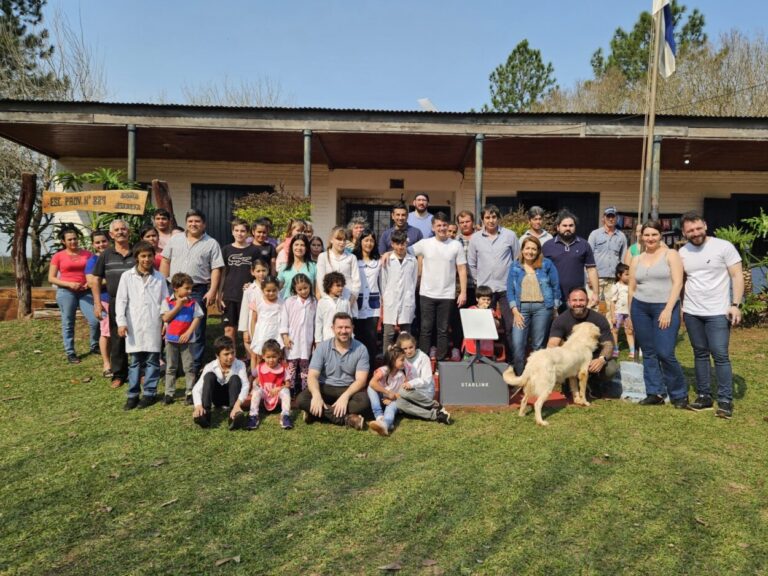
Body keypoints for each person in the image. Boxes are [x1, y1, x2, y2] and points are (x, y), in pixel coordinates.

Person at [679, 211, 744, 419]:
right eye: (690, 230)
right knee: (699, 353)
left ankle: (725, 400)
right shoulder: (682, 252)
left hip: (718, 311)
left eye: (698, 228)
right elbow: (681, 281)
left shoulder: (723, 247)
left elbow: (737, 276)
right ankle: (704, 395)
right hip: (692, 311)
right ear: (684, 232)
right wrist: (681, 307)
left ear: (705, 226)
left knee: (720, 355)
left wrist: (735, 304)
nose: (695, 233)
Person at [627, 220, 687, 408]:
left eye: (654, 234)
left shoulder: (671, 254)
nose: (650, 238)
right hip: (640, 308)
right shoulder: (636, 258)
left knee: (665, 352)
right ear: (641, 237)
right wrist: (630, 315)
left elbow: (678, 283)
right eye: (646, 235)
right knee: (649, 352)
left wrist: (669, 309)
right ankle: (655, 392)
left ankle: (679, 394)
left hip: (665, 307)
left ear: (660, 235)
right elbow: (631, 289)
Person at [160, 209, 224, 377]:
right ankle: (173, 363)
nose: (193, 224)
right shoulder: (175, 239)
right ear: (186, 223)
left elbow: (216, 268)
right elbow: (165, 260)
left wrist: (212, 290)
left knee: (196, 327)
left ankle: (194, 366)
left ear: (204, 224)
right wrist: (162, 282)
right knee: (171, 324)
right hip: (172, 288)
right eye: (190, 221)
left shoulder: (211, 243)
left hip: (197, 290)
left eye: (197, 221)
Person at [116, 241, 169, 410]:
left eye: (150, 256)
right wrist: (121, 322)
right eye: (143, 256)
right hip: (134, 324)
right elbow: (121, 301)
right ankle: (132, 395)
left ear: (154, 257)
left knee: (153, 361)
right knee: (135, 362)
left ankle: (149, 393)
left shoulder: (159, 277)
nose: (147, 259)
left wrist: (165, 321)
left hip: (154, 322)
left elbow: (164, 301)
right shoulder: (127, 276)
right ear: (137, 257)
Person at [297, 312, 370, 429]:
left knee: (365, 402)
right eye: (340, 327)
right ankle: (348, 419)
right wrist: (316, 395)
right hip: (325, 387)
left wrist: (345, 396)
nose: (343, 331)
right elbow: (312, 376)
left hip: (348, 389)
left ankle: (316, 413)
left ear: (352, 328)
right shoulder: (322, 347)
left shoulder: (361, 349)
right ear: (333, 329)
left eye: (347, 327)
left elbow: (361, 380)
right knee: (301, 400)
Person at [411, 212, 467, 360]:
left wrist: (463, 292)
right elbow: (405, 252)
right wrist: (386, 254)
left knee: (442, 330)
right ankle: (423, 360)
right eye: (439, 225)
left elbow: (462, 269)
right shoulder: (425, 243)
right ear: (433, 227)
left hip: (447, 295)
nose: (442, 228)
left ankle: (440, 361)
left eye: (444, 225)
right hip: (426, 294)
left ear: (448, 226)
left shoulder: (456, 245)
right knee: (425, 329)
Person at [547, 287, 618, 398]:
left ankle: (594, 382)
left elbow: (608, 344)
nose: (578, 303)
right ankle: (568, 383)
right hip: (571, 360)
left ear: (587, 301)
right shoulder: (561, 320)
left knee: (611, 369)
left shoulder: (599, 319)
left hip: (593, 359)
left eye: (581, 300)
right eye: (574, 300)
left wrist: (602, 359)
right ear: (569, 302)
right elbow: (552, 345)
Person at [468, 204, 519, 357]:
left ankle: (512, 360)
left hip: (506, 287)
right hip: (485, 290)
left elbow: (516, 259)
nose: (491, 220)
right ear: (483, 219)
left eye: (494, 217)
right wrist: (479, 281)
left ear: (498, 218)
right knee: (484, 326)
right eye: (487, 217)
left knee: (510, 325)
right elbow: (472, 263)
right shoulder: (476, 238)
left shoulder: (510, 235)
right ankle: (483, 357)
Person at [507, 236, 561, 376]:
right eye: (527, 248)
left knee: (538, 346)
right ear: (522, 249)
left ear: (538, 251)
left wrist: (555, 308)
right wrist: (515, 312)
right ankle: (520, 377)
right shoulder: (515, 266)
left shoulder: (547, 264)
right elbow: (510, 291)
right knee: (518, 344)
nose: (530, 252)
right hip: (521, 310)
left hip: (542, 309)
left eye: (533, 249)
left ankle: (536, 378)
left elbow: (555, 287)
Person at [92, 219, 135, 388]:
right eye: (116, 230)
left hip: (137, 302)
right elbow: (96, 279)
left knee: (138, 336)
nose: (120, 232)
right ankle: (119, 374)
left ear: (128, 232)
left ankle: (140, 372)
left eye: (123, 229)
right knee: (117, 338)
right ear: (111, 234)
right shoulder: (106, 255)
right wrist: (97, 302)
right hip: (115, 302)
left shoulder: (137, 252)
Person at [49, 227, 99, 364]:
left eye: (75, 238)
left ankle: (95, 345)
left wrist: (88, 284)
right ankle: (70, 352)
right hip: (66, 292)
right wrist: (69, 284)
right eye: (70, 239)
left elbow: (93, 273)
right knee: (68, 322)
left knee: (95, 320)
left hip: (85, 291)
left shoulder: (88, 254)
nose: (73, 241)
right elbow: (51, 278)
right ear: (63, 241)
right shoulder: (58, 256)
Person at [161, 272, 204, 405]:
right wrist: (179, 305)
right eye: (186, 288)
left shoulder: (193, 303)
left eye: (190, 288)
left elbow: (197, 317)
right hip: (171, 340)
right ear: (175, 287)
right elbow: (166, 318)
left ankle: (189, 392)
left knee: (189, 367)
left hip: (187, 340)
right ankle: (169, 393)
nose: (189, 291)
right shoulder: (167, 302)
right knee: (171, 367)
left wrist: (189, 333)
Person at [543, 210, 599, 311]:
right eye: (564, 225)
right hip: (553, 297)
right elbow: (541, 271)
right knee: (554, 326)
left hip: (576, 298)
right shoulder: (547, 246)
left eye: (571, 225)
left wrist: (595, 293)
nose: (568, 228)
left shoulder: (584, 245)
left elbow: (591, 269)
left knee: (576, 326)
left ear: (575, 227)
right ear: (558, 227)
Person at [220, 218, 262, 352]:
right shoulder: (226, 250)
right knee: (229, 329)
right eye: (236, 230)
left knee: (249, 330)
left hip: (249, 296)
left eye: (243, 231)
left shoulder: (254, 251)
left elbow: (260, 272)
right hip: (230, 294)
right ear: (232, 232)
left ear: (248, 233)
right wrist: (219, 293)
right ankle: (231, 358)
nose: (239, 233)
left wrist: (253, 285)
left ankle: (251, 360)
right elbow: (222, 273)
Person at [191, 336, 250, 430]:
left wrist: (237, 404)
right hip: (216, 398)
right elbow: (196, 389)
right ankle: (205, 415)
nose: (231, 357)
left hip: (232, 398)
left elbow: (245, 385)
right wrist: (198, 406)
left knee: (235, 378)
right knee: (209, 376)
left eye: (232, 353)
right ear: (217, 355)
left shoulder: (240, 364)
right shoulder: (210, 366)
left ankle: (233, 417)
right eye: (226, 354)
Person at [394, 332, 452, 424]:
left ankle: (434, 405)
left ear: (415, 345)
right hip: (409, 393)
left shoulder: (423, 357)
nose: (408, 351)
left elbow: (426, 379)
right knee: (399, 403)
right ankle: (436, 415)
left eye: (411, 347)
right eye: (404, 349)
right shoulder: (401, 358)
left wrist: (411, 384)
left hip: (424, 392)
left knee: (402, 391)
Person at [380, 230, 418, 353]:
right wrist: (385, 297)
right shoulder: (388, 259)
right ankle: (387, 360)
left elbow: (413, 280)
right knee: (388, 334)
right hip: (390, 300)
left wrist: (410, 296)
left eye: (403, 244)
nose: (400, 247)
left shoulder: (412, 260)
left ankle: (407, 359)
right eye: (397, 244)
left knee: (406, 333)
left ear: (406, 243)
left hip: (407, 300)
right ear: (392, 244)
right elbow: (383, 281)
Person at [280, 273, 316, 397]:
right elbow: (284, 321)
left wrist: (315, 341)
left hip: (307, 340)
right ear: (294, 289)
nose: (303, 291)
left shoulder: (314, 302)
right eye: (300, 289)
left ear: (310, 286)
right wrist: (285, 336)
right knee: (291, 367)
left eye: (305, 288)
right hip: (292, 340)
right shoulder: (289, 301)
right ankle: (289, 389)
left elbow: (316, 322)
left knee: (305, 367)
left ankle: (304, 391)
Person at [247, 339, 293, 430]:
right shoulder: (260, 367)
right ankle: (253, 415)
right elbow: (254, 376)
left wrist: (279, 388)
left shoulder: (282, 369)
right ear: (263, 356)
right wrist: (254, 385)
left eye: (274, 357)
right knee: (256, 391)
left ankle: (285, 415)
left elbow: (288, 384)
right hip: (264, 392)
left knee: (286, 391)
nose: (271, 360)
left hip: (276, 392)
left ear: (279, 355)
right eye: (268, 357)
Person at [588, 206, 627, 308]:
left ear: (616, 218)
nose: (611, 219)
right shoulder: (594, 234)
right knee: (594, 305)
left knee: (611, 307)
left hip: (613, 278)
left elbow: (623, 258)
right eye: (608, 216)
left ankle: (609, 324)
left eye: (613, 216)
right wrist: (589, 278)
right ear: (603, 218)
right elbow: (588, 257)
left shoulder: (621, 236)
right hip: (597, 277)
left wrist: (622, 277)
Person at [85, 230, 112, 377]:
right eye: (98, 242)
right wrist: (113, 278)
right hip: (104, 299)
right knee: (106, 332)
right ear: (93, 245)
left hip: (121, 299)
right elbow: (91, 282)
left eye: (104, 241)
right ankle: (106, 364)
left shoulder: (114, 257)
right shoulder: (93, 261)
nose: (101, 244)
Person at [352, 228, 381, 365]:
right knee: (357, 337)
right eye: (366, 240)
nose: (369, 244)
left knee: (371, 339)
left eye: (371, 240)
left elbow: (382, 283)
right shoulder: (353, 260)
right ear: (360, 242)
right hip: (356, 304)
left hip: (373, 306)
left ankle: (370, 369)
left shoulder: (379, 261)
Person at [367, 345, 408, 436]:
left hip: (392, 401)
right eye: (402, 360)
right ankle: (379, 416)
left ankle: (385, 424)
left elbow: (402, 395)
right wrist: (387, 393)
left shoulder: (401, 376)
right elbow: (372, 383)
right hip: (381, 397)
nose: (404, 362)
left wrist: (392, 398)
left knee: (392, 407)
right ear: (393, 361)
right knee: (370, 388)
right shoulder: (383, 370)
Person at [315, 226, 360, 308]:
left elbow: (356, 282)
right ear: (331, 240)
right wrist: (328, 301)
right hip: (328, 303)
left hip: (347, 301)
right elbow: (320, 280)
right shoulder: (323, 257)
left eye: (344, 240)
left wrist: (350, 303)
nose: (342, 242)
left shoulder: (352, 257)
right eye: (339, 239)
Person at [249, 276, 283, 373]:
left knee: (275, 356)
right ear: (263, 290)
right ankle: (255, 377)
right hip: (261, 333)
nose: (271, 293)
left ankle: (272, 377)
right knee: (258, 356)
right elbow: (253, 320)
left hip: (276, 333)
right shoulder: (258, 301)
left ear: (278, 289)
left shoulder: (281, 302)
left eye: (274, 290)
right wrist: (253, 336)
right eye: (268, 290)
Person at [240, 259, 269, 367]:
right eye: (258, 271)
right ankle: (255, 377)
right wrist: (245, 331)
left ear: (268, 270)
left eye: (263, 270)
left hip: (268, 324)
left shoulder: (272, 287)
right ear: (252, 272)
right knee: (255, 354)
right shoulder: (249, 289)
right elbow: (244, 311)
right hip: (253, 326)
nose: (261, 273)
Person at [461, 285, 502, 360]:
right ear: (477, 299)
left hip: (486, 344)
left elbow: (497, 325)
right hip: (471, 343)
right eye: (483, 299)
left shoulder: (491, 311)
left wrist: (489, 315)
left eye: (488, 300)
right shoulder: (471, 309)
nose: (486, 302)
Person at [315, 271, 352, 342]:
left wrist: (351, 336)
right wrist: (318, 341)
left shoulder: (345, 302)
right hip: (327, 338)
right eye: (338, 285)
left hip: (343, 339)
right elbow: (319, 322)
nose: (341, 288)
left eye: (342, 286)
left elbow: (349, 321)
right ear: (329, 286)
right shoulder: (322, 302)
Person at [277, 234, 317, 299]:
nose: (299, 248)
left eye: (302, 245)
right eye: (296, 245)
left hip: (308, 305)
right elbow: (277, 287)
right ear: (291, 247)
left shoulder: (313, 266)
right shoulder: (284, 267)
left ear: (306, 248)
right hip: (288, 305)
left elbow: (316, 290)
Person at [608, 263, 635, 359]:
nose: (629, 276)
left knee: (629, 331)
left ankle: (632, 350)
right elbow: (612, 302)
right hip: (618, 312)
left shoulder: (631, 286)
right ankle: (615, 349)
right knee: (615, 331)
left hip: (628, 313)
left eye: (630, 274)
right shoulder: (616, 286)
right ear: (619, 275)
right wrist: (613, 316)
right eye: (626, 274)